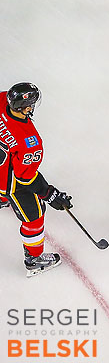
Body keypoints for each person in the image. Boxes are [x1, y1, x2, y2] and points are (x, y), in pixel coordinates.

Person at [0, 83, 73, 276]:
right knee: (35, 216)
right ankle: (34, 260)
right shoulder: (29, 141)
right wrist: (49, 194)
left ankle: (1, 199)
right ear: (25, 108)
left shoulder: (1, 101)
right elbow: (25, 177)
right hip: (10, 184)